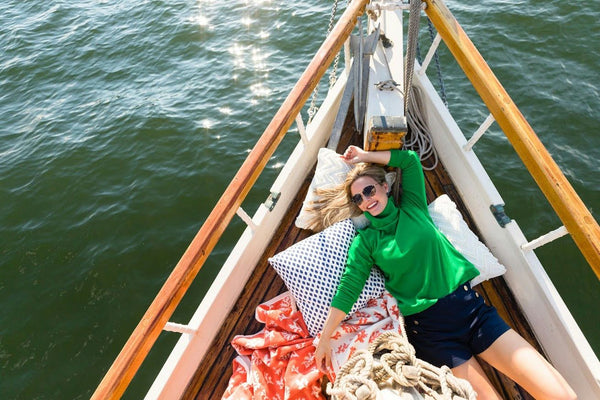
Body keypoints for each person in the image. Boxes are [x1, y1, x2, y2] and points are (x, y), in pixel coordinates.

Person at [314, 145, 577, 400]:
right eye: (357, 198)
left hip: (472, 312)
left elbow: (410, 160)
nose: (366, 200)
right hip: (431, 330)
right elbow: (348, 289)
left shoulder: (413, 208)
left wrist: (363, 156)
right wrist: (325, 339)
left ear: (385, 186)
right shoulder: (366, 242)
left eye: (369, 190)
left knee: (562, 395)